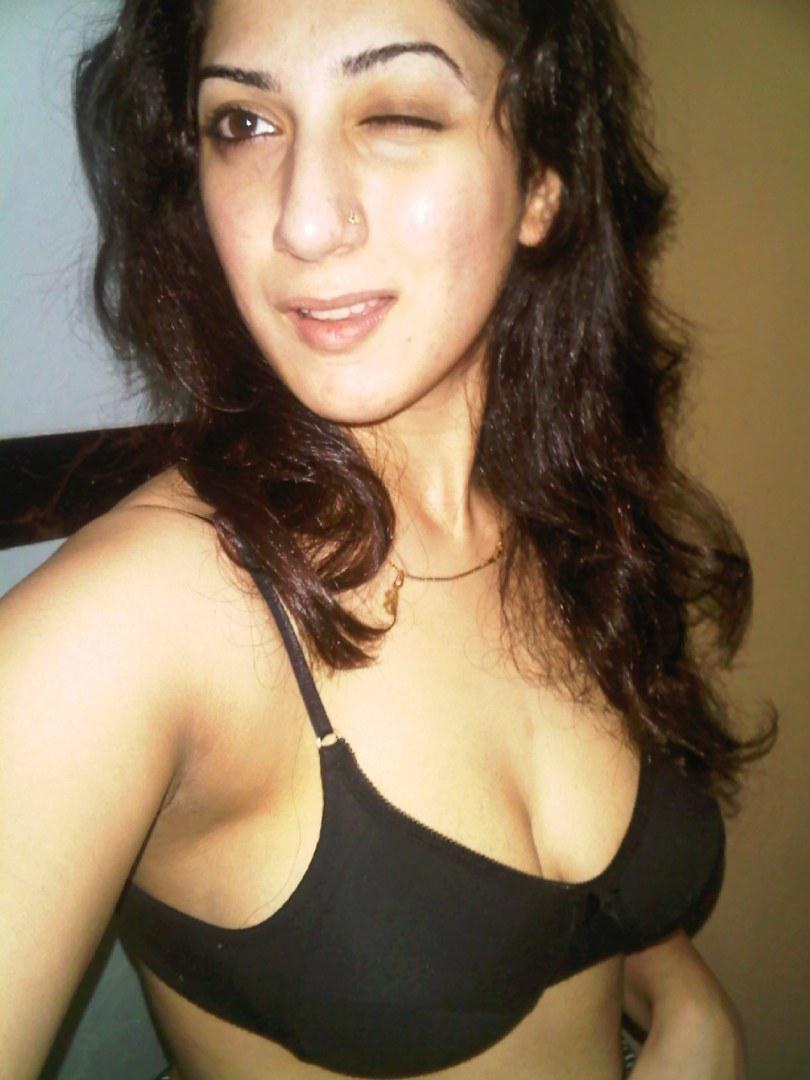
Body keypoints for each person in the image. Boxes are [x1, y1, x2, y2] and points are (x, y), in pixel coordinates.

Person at [0, 0, 774, 1076]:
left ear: (543, 183)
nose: (304, 221)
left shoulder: (563, 522)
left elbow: (579, 902)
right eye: (244, 124)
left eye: (398, 113)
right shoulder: (118, 629)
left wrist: (689, 1002)